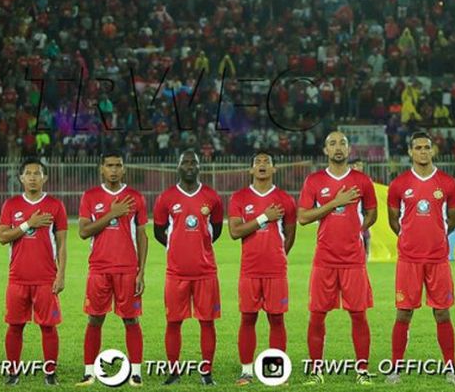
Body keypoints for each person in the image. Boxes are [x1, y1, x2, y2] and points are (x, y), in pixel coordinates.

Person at [298, 132, 377, 385]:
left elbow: (373, 211)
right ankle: (316, 370)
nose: (338, 147)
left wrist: (360, 229)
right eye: (332, 143)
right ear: (325, 150)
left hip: (353, 260)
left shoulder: (361, 180)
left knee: (358, 315)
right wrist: (335, 203)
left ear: (349, 148)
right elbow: (303, 217)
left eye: (342, 143)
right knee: (317, 315)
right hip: (324, 259)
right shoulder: (314, 181)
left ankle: (362, 370)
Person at [387, 131, 455, 384]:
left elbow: (451, 220)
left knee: (442, 313)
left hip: (438, 259)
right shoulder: (399, 184)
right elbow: (393, 221)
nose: (422, 151)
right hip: (408, 260)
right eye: (417, 147)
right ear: (410, 151)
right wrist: (410, 239)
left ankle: (451, 368)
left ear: (433, 150)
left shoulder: (448, 183)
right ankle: (395, 369)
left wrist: (435, 238)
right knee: (403, 314)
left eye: (426, 147)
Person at [76, 150, 148, 387]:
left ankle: (136, 373)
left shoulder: (135, 197)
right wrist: (112, 214)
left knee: (131, 320)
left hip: (128, 269)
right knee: (94, 319)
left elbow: (141, 235)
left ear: (124, 169)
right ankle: (89, 372)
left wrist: (141, 271)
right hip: (99, 267)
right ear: (101, 168)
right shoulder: (90, 196)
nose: (114, 169)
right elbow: (84, 231)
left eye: (118, 165)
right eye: (110, 165)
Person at [153, 150, 223, 386]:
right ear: (178, 166)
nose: (190, 166)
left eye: (194, 162)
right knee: (173, 322)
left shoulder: (212, 197)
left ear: (200, 167)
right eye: (186, 162)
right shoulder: (166, 198)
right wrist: (178, 248)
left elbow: (216, 230)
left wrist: (198, 247)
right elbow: (158, 232)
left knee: (207, 322)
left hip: (206, 272)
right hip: (176, 273)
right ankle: (173, 372)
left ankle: (206, 373)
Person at [228, 151, 296, 386]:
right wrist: (263, 218)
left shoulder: (286, 199)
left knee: (277, 320)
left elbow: (290, 235)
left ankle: (277, 371)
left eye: (267, 162)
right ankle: (246, 371)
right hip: (249, 270)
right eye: (258, 162)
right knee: (248, 318)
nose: (262, 164)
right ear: (251, 170)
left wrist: (276, 256)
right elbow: (235, 232)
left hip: (276, 271)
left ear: (274, 169)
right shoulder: (239, 197)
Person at [0, 157, 67, 386]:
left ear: (44, 178)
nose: (32, 177)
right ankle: (13, 373)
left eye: (37, 173)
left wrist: (61, 275)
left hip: (46, 278)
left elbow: (62, 244)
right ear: (21, 178)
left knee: (48, 327)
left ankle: (50, 374)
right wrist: (29, 223)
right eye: (28, 173)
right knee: (15, 326)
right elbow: (2, 237)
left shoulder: (56, 206)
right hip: (17, 277)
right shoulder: (11, 205)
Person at [349, 158, 372, 258]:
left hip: (363, 213)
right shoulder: (348, 180)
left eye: (361, 165)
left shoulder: (366, 180)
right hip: (351, 214)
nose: (359, 167)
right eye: (357, 165)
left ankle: (366, 254)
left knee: (366, 235)